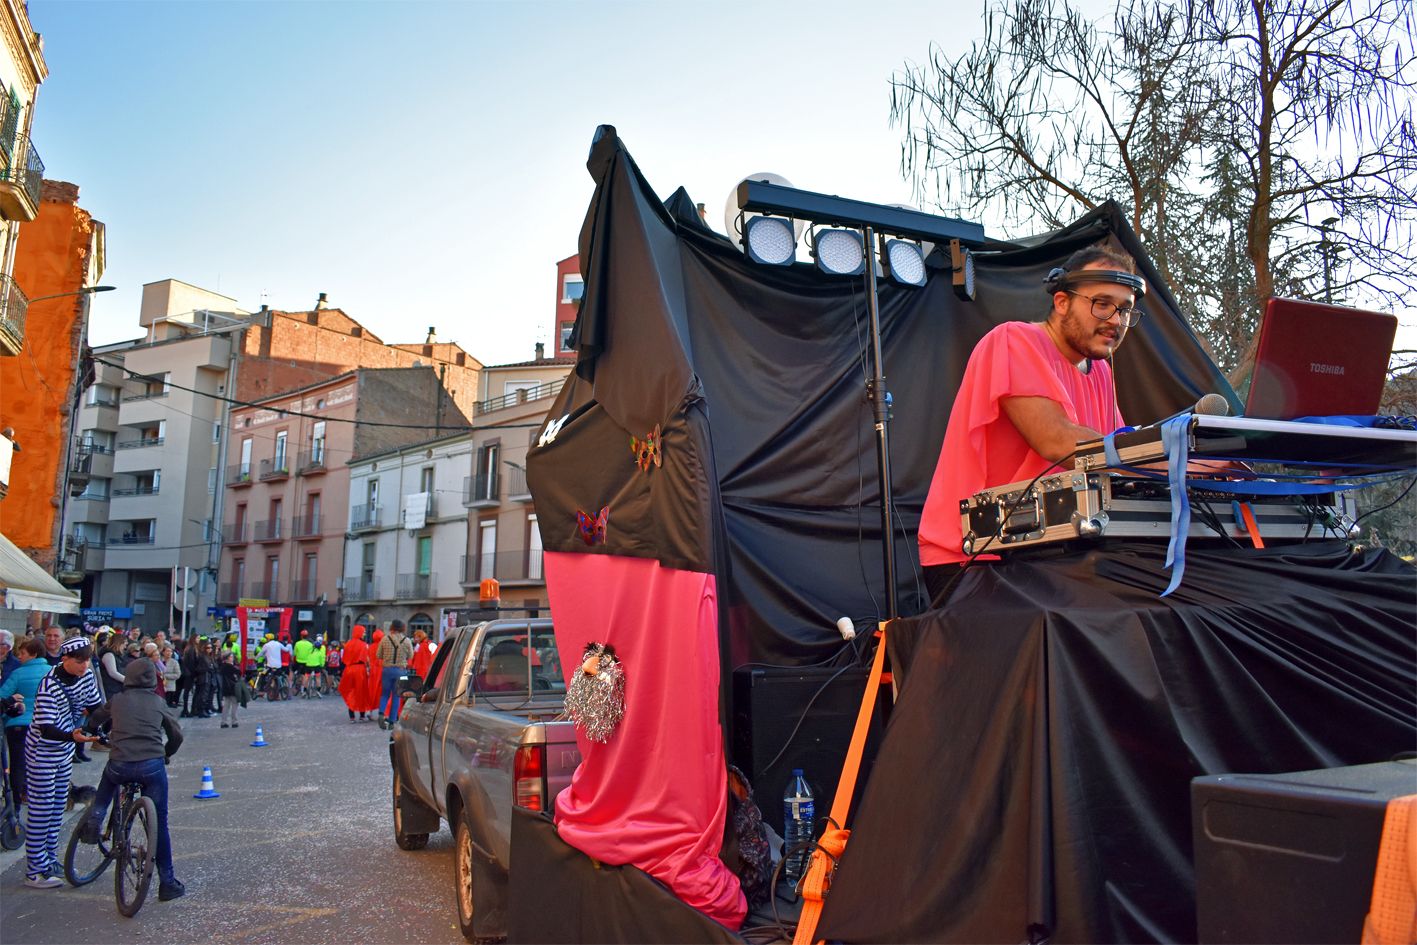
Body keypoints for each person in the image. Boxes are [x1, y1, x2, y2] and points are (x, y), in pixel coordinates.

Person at [918, 246, 1145, 602]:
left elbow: (1118, 448)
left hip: (1050, 552)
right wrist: (1165, 454)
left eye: (1125, 309)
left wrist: (1201, 462)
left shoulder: (1100, 371)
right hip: (976, 555)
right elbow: (1058, 442)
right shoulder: (1014, 341)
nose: (1116, 320)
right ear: (1061, 302)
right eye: (1102, 303)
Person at [77, 657, 186, 901]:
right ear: (151, 679)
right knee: (160, 822)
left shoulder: (117, 700)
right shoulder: (158, 702)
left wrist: (94, 733)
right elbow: (176, 735)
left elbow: (95, 719)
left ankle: (95, 819)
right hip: (151, 765)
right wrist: (166, 754)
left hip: (120, 763)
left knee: (106, 787)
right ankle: (167, 883)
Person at [21, 637, 103, 888]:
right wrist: (72, 736)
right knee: (41, 809)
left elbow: (96, 707)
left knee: (58, 808)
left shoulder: (87, 676)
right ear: (65, 659)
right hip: (42, 751)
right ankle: (34, 870)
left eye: (88, 660)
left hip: (65, 750)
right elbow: (45, 728)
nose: (84, 665)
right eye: (79, 661)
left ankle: (50, 860)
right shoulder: (49, 685)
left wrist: (106, 726)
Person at [0, 638, 48, 808]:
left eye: (23, 653)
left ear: (34, 654)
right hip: (44, 725)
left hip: (18, 725)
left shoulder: (18, 673)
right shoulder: (52, 672)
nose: (19, 656)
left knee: (17, 764)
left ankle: (16, 803)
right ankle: (37, 799)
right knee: (40, 764)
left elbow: (2, 695)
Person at [375, 620, 414, 730]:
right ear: (402, 628)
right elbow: (411, 655)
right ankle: (392, 721)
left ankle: (381, 713)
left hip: (387, 669)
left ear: (392, 627)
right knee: (397, 696)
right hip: (401, 670)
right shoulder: (406, 640)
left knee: (385, 694)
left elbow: (378, 655)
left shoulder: (385, 639)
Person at [339, 626, 375, 723]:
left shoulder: (348, 644)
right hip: (360, 670)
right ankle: (362, 715)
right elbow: (367, 659)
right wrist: (369, 668)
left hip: (349, 669)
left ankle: (352, 716)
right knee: (361, 691)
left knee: (351, 691)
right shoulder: (364, 645)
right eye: (363, 632)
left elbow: (343, 658)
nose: (364, 634)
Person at [217, 652, 242, 728]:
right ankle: (234, 721)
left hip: (225, 688)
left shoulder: (222, 667)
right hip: (232, 687)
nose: (232, 658)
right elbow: (239, 673)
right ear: (227, 658)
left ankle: (223, 722)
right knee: (234, 704)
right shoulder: (231, 667)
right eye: (231, 657)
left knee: (226, 705)